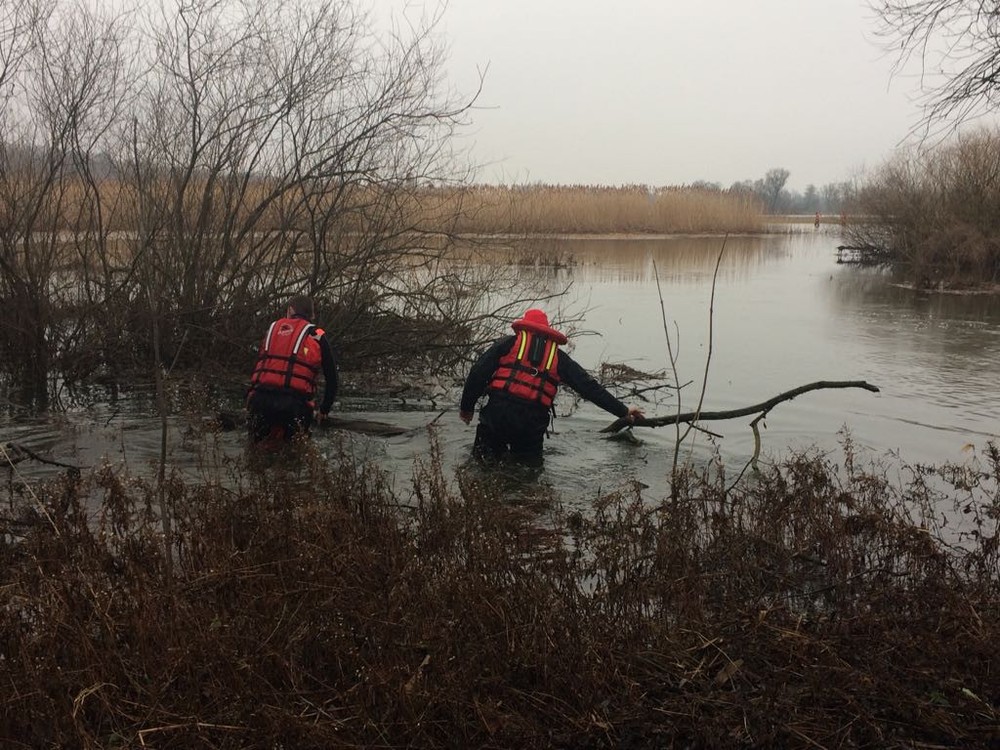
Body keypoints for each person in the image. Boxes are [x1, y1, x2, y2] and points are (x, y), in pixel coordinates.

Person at [459, 308, 644, 464]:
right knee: (528, 475)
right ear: (547, 331)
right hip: (531, 422)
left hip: (497, 415)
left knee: (482, 464)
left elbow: (477, 374)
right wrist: (623, 410)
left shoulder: (507, 344)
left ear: (524, 327)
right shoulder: (558, 358)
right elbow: (589, 387)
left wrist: (466, 408)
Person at [246, 295, 338, 445]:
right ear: (312, 315)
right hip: (295, 405)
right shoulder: (317, 334)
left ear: (290, 310)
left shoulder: (272, 329)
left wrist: (250, 398)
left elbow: (260, 367)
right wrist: (324, 410)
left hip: (260, 400)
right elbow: (332, 378)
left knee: (256, 454)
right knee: (293, 456)